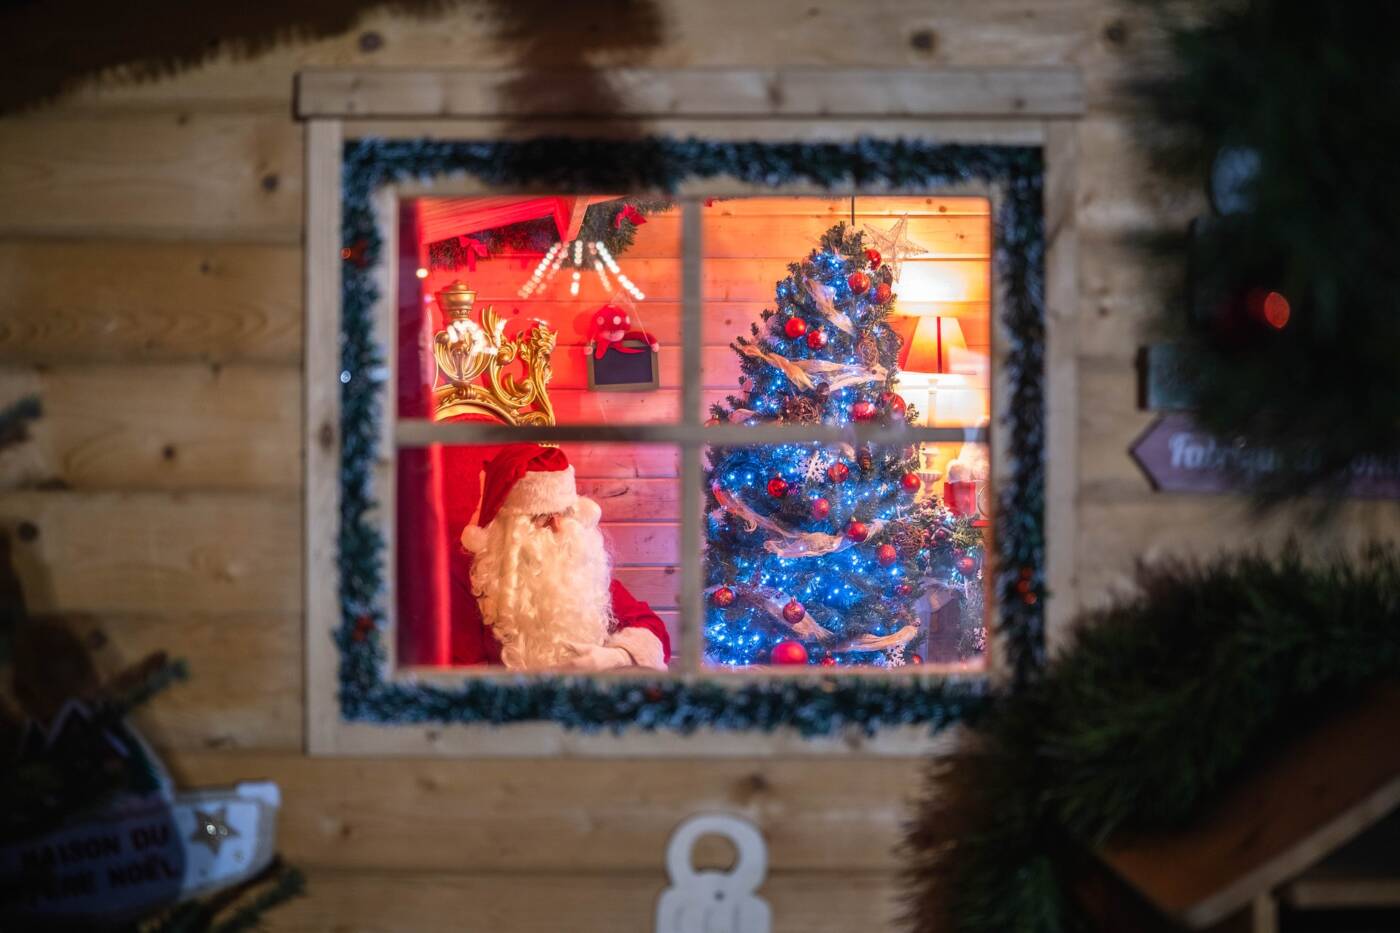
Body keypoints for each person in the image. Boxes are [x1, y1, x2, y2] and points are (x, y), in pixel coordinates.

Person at [458, 443, 670, 671]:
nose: (559, 527)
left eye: (565, 513)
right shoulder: (477, 581)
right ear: (507, 530)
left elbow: (651, 627)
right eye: (544, 518)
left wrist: (619, 656)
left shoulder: (580, 571)